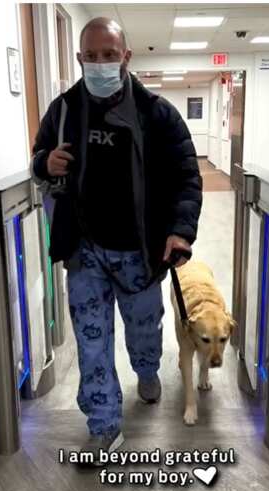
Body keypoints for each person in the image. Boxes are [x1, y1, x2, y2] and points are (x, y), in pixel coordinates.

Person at [31, 18, 202, 459]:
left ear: (126, 57)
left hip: (139, 255)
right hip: (84, 250)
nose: (101, 63)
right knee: (92, 341)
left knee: (144, 330)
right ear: (80, 59)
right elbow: (39, 156)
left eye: (110, 55)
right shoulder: (64, 110)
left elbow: (187, 176)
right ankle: (103, 423)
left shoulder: (156, 113)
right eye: (93, 56)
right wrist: (44, 164)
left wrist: (181, 232)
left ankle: (147, 370)